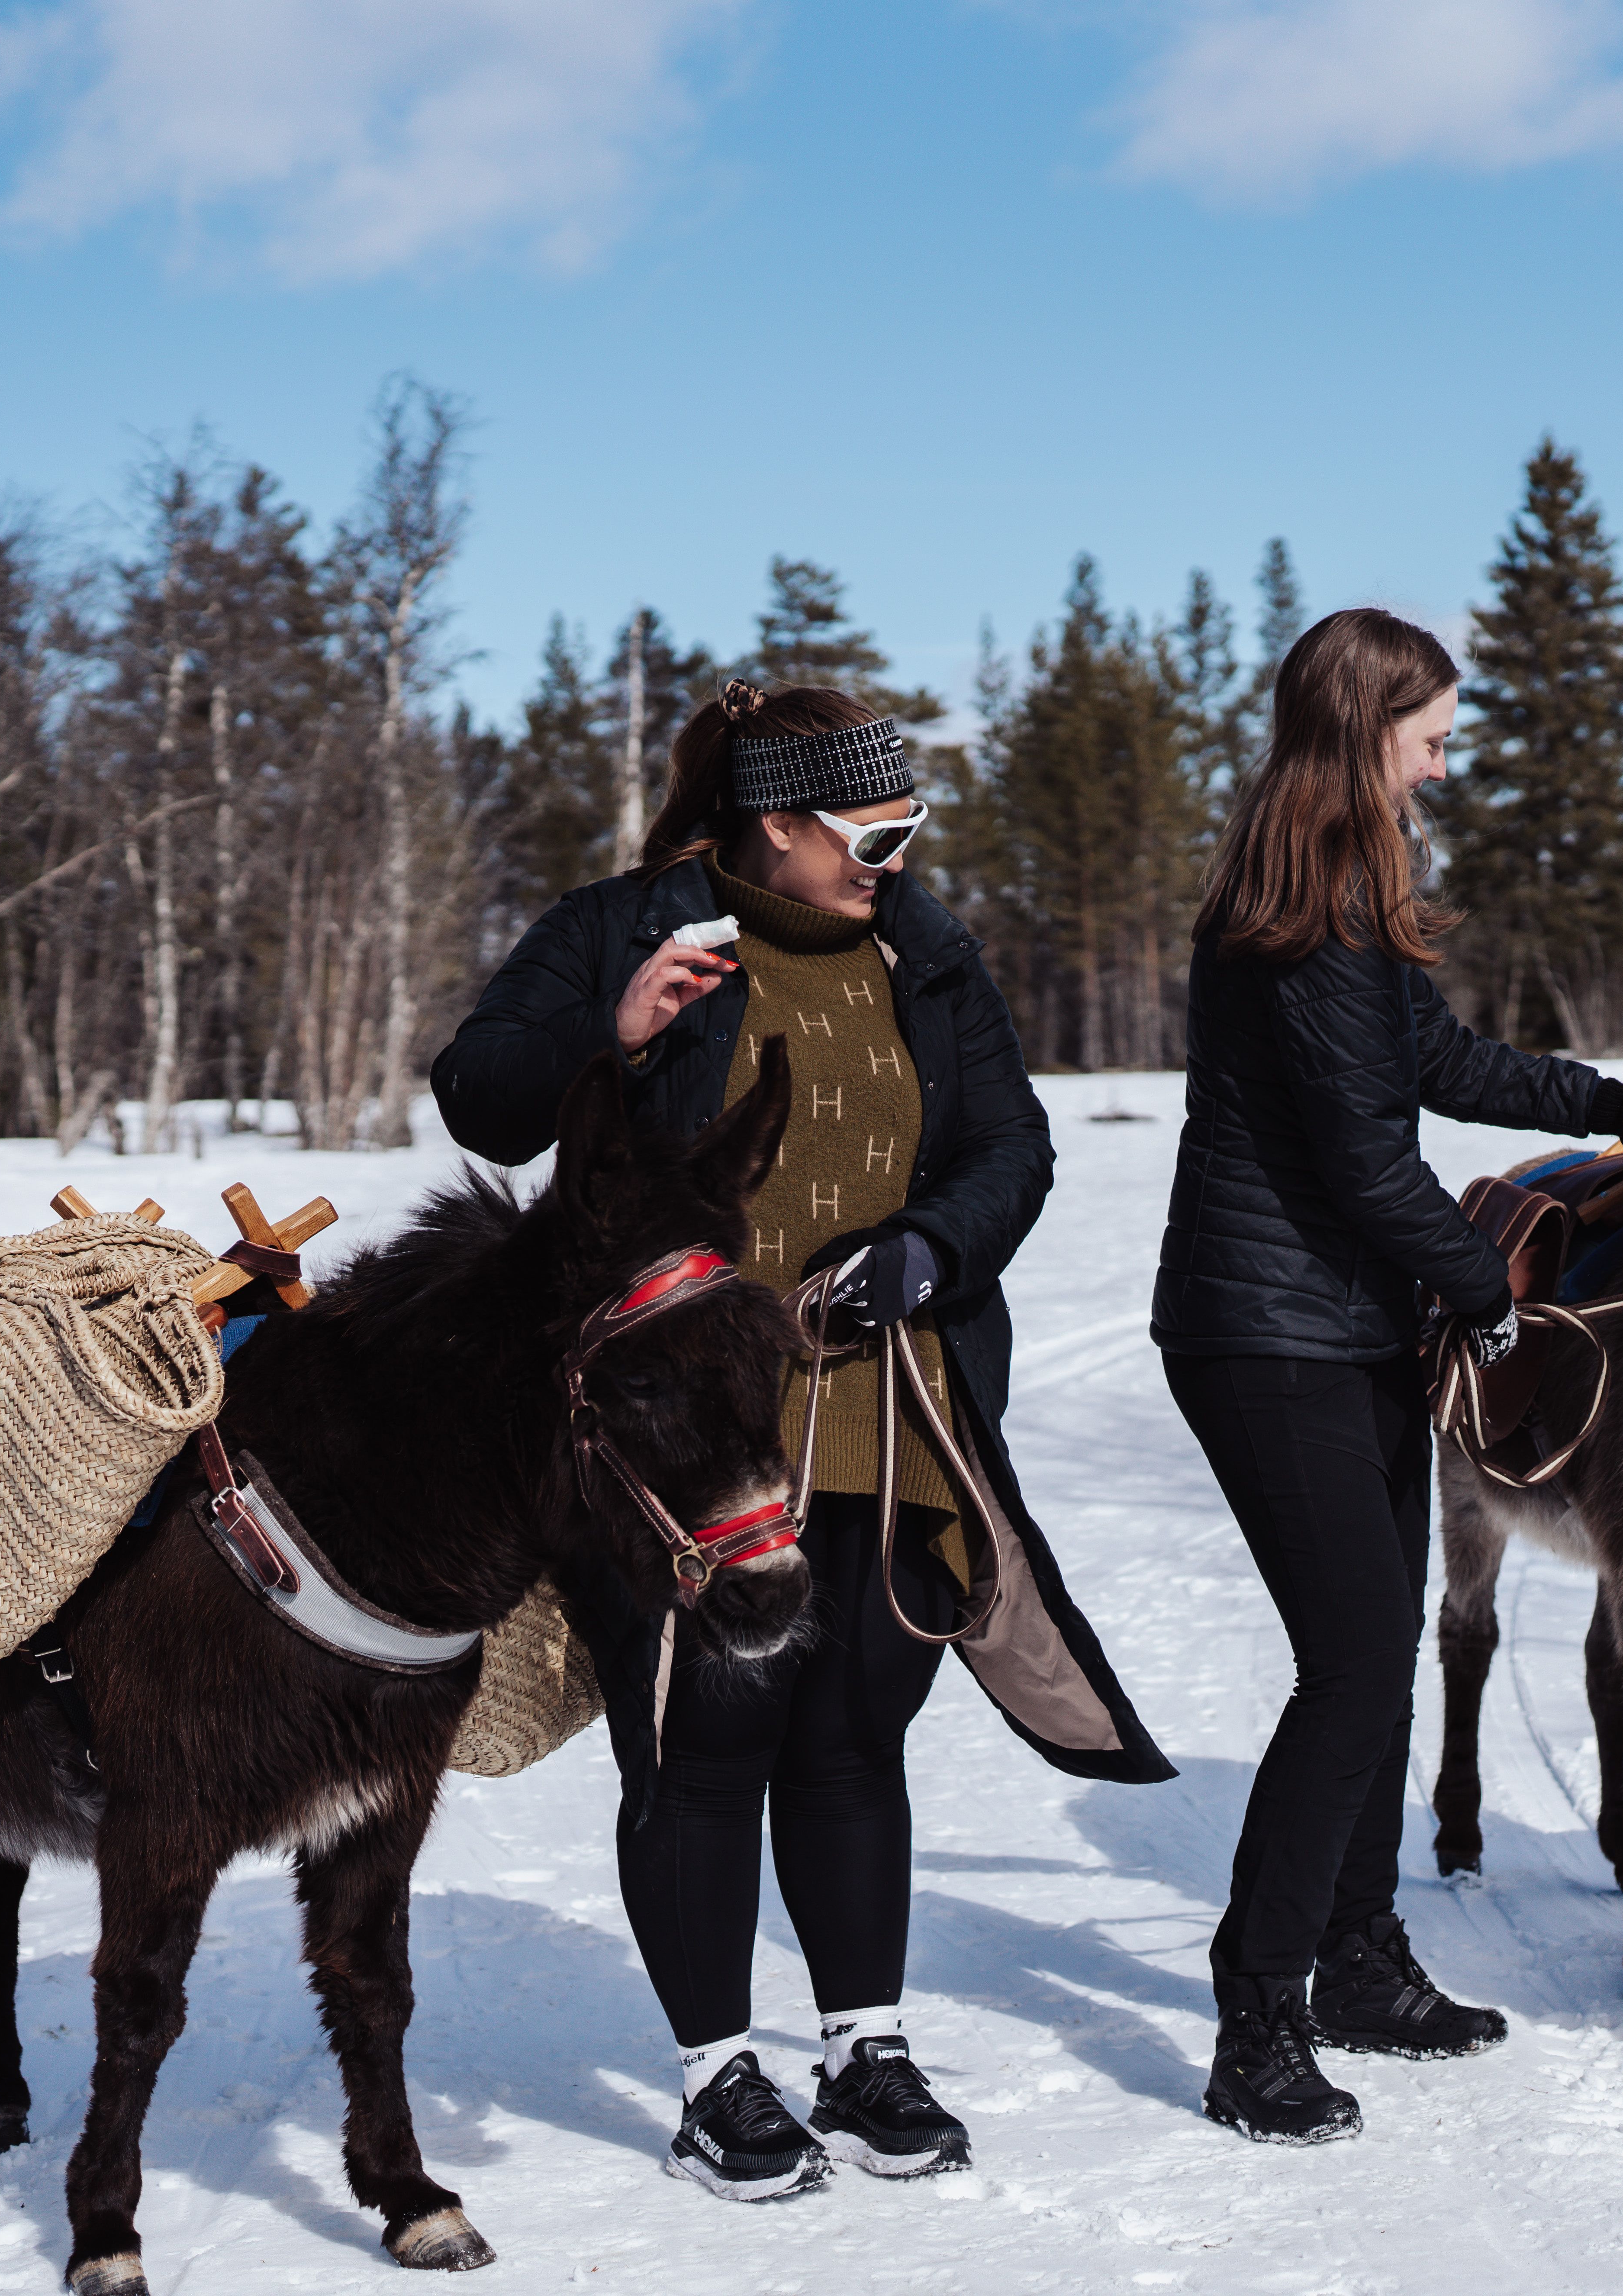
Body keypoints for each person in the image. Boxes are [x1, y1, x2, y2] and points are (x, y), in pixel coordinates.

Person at [432, 679, 1172, 2200]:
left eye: (912, 829)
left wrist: (933, 1251)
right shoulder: (623, 926)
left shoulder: (923, 949)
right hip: (687, 1427)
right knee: (705, 1746)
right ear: (777, 822)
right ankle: (718, 2079)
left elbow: (1011, 1144)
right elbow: (480, 1100)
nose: (895, 857)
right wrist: (613, 1026)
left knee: (853, 1734)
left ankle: (865, 2046)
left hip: (890, 1408)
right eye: (872, 831)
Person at [1152, 608, 1623, 2144]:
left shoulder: (1351, 882)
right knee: (1346, 1668)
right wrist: (1490, 1296)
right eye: (1435, 737)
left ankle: (1356, 1957)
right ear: (1365, 728)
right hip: (1264, 1330)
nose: (1448, 765)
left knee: (1377, 1656)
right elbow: (1357, 1163)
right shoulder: (1310, 902)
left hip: (1336, 1324)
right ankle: (1257, 2015)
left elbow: (1445, 1068)